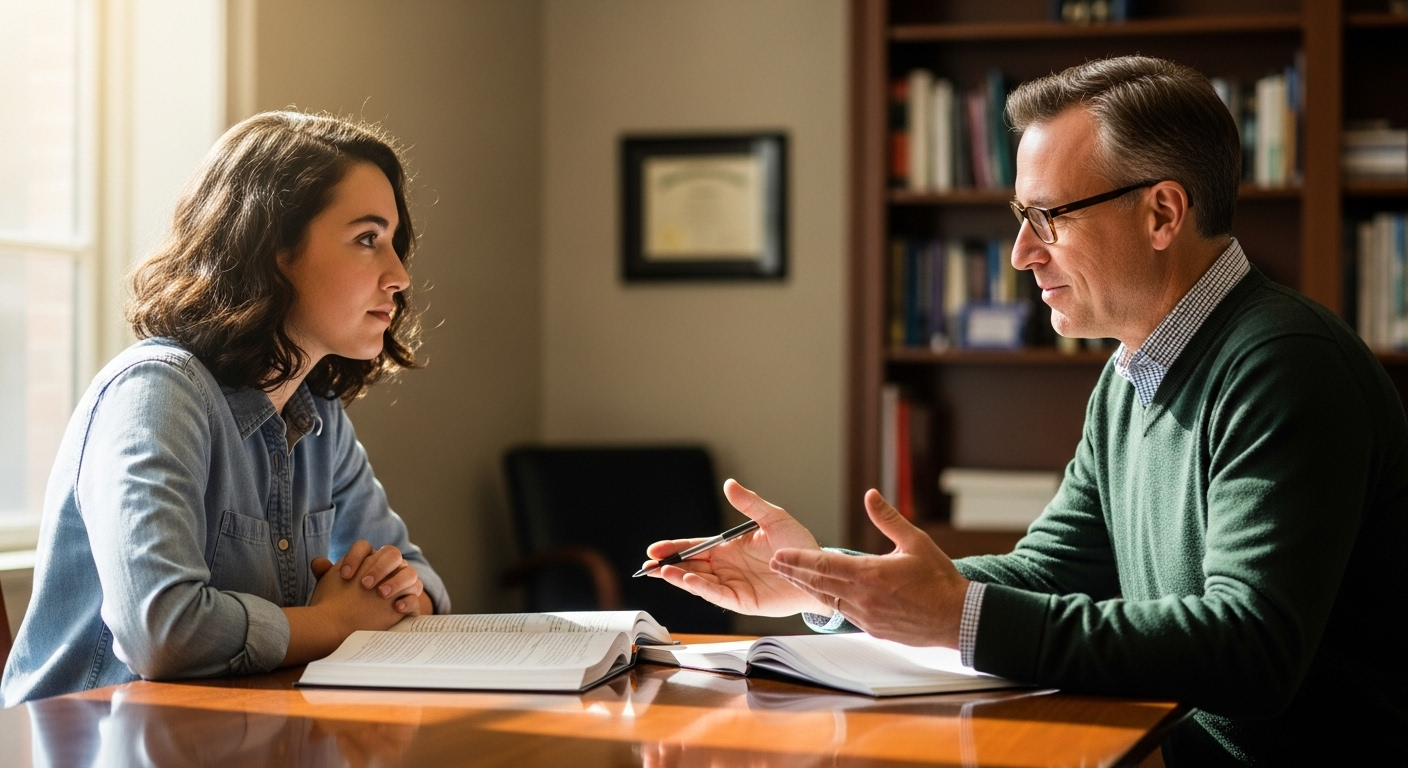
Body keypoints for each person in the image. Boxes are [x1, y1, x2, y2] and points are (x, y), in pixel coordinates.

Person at [643, 57, 1408, 765]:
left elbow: (1250, 650)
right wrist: (821, 584)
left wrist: (958, 618)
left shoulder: (1285, 363)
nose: (1020, 252)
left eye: (1048, 217)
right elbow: (1049, 570)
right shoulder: (1130, 374)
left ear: (1163, 214)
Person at [2, 112, 451, 705]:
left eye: (394, 243)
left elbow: (424, 583)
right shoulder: (155, 394)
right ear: (273, 252)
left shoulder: (318, 415)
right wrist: (337, 622)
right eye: (367, 239)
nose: (398, 275)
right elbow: (161, 631)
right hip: (88, 743)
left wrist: (394, 591)